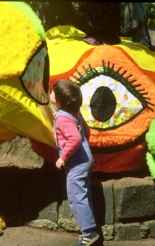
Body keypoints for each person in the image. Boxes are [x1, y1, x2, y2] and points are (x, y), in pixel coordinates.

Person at [50, 79, 99, 246]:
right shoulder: (75, 113)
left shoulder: (63, 118)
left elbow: (75, 138)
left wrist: (63, 158)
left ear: (61, 101)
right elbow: (86, 131)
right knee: (83, 194)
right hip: (86, 160)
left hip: (77, 164)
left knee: (76, 197)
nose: (50, 94)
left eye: (53, 93)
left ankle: (88, 233)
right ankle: (91, 229)